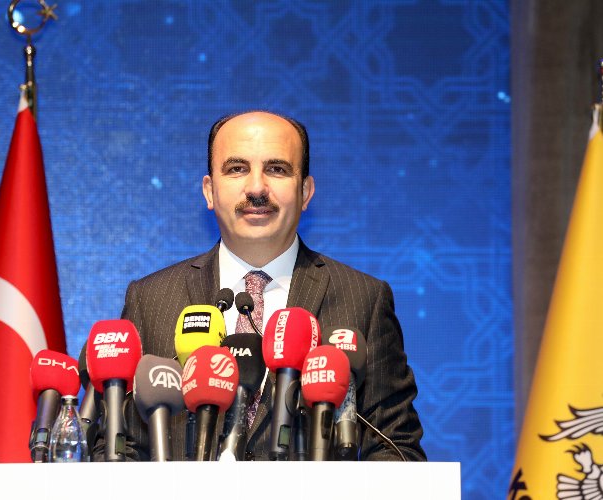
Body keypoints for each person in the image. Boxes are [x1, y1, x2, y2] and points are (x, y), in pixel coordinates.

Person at [93, 110, 426, 461]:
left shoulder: (364, 300)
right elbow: (119, 450)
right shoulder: (150, 299)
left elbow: (396, 449)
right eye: (237, 168)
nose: (256, 188)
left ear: (305, 191)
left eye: (277, 169)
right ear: (209, 190)